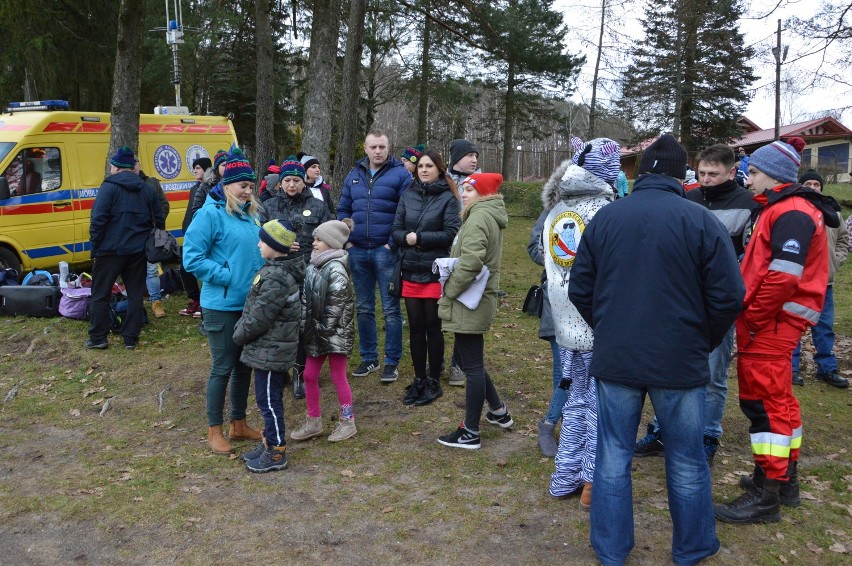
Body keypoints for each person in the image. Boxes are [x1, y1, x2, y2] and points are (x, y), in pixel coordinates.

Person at [569, 134, 743, 565]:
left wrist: (610, 329)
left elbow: (581, 288)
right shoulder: (700, 220)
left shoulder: (608, 218)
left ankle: (611, 549)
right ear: (680, 175)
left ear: (643, 172)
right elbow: (729, 295)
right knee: (685, 458)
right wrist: (700, 340)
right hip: (676, 358)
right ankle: (693, 546)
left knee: (613, 455)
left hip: (621, 356)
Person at [716, 139, 841, 525]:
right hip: (775, 323)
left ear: (773, 175)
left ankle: (766, 494)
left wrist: (752, 317)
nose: (747, 178)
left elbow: (782, 277)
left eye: (752, 172)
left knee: (764, 408)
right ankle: (783, 480)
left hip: (770, 324)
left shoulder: (791, 212)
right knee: (781, 403)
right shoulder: (788, 209)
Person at [635, 144, 760, 465]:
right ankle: (662, 429)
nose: (705, 180)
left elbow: (750, 261)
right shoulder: (685, 199)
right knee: (667, 367)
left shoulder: (748, 206)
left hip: (718, 302)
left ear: (731, 172)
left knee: (713, 374)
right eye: (701, 173)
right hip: (681, 302)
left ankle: (708, 433)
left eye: (713, 174)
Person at [544, 137, 620, 509]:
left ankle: (564, 475)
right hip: (597, 324)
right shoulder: (604, 211)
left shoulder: (557, 209)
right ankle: (592, 481)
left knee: (575, 399)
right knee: (599, 406)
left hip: (565, 324)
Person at [183, 148, 265, 456]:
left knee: (245, 365)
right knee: (223, 366)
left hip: (250, 303)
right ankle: (214, 430)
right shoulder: (209, 214)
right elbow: (192, 258)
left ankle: (239, 424)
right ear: (227, 184)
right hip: (221, 305)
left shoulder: (251, 214)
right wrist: (227, 275)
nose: (247, 190)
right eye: (242, 185)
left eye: (250, 185)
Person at [436, 173, 513, 450]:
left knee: (473, 367)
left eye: (470, 189)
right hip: (474, 299)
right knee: (472, 361)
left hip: (470, 300)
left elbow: (470, 262)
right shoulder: (481, 215)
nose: (464, 193)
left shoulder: (479, 217)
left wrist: (450, 290)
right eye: (464, 188)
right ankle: (498, 410)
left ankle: (470, 431)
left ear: (484, 194)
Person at [337, 130, 411, 383]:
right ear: (365, 148)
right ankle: (369, 358)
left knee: (391, 309)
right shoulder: (354, 174)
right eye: (373, 147)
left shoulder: (401, 174)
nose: (377, 151)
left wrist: (392, 243)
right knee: (364, 307)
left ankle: (392, 361)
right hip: (357, 250)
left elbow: (406, 211)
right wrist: (345, 239)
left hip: (385, 251)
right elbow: (344, 208)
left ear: (389, 148)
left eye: (382, 146)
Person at [233, 219, 304, 473]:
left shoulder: (276, 277)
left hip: (272, 350)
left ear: (275, 246)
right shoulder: (274, 270)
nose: (259, 244)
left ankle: (277, 450)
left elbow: (259, 317)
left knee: (269, 401)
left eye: (263, 240)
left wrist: (238, 335)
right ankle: (267, 442)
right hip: (268, 349)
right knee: (265, 399)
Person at [391, 149, 461, 406]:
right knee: (416, 326)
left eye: (429, 166)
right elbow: (396, 229)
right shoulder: (408, 195)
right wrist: (406, 239)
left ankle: (433, 378)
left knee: (433, 327)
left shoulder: (448, 198)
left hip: (434, 271)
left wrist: (419, 238)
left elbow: (451, 232)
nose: (423, 170)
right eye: (420, 166)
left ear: (439, 169)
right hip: (410, 269)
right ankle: (419, 377)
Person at [260, 155, 331, 399]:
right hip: (276, 275)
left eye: (297, 180)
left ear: (304, 182)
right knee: (278, 325)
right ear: (280, 182)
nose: (292, 185)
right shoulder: (268, 206)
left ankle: (301, 372)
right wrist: (278, 246)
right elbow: (259, 238)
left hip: (307, 273)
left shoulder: (318, 206)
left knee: (303, 325)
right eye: (287, 180)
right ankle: (279, 372)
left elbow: (328, 237)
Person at [86, 146, 163, 350]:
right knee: (136, 294)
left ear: (116, 167)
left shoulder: (108, 187)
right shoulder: (147, 188)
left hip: (109, 251)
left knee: (100, 294)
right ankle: (131, 338)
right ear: (132, 167)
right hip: (137, 252)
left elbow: (98, 220)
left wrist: (95, 246)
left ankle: (98, 338)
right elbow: (160, 218)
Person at [290, 219, 358, 443]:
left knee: (338, 376)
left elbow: (336, 304)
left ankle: (348, 421)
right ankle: (313, 421)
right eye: (314, 238)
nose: (314, 242)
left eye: (319, 239)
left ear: (332, 243)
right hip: (314, 332)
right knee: (309, 375)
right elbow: (305, 300)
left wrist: (324, 328)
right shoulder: (312, 266)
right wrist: (304, 325)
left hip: (334, 334)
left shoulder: (336, 268)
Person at [791, 169, 849, 388]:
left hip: (825, 282)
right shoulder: (794, 209)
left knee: (824, 327)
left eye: (816, 184)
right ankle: (791, 368)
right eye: (809, 184)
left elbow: (843, 239)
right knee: (794, 325)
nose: (813, 187)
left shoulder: (832, 211)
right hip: (799, 280)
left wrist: (837, 259)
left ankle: (827, 369)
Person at [445, 138, 482, 387]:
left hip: (470, 250)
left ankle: (459, 363)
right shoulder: (445, 181)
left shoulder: (481, 183)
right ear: (457, 157)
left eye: (476, 155)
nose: (474, 159)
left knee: (465, 309)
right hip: (445, 250)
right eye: (469, 155)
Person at [528, 210, 561, 457]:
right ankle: (548, 425)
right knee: (564, 370)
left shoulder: (605, 205)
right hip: (557, 298)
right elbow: (534, 245)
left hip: (595, 300)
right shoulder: (554, 208)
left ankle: (572, 423)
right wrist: (557, 260)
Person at [178, 156, 212, 318]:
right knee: (185, 267)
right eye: (194, 168)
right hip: (191, 233)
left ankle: (205, 303)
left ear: (206, 169)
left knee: (205, 268)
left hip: (205, 235)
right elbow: (190, 212)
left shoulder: (211, 187)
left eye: (198, 168)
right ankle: (194, 299)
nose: (195, 171)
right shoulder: (194, 189)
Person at [135, 162, 170, 319]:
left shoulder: (152, 182)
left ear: (139, 165)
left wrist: (156, 223)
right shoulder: (124, 185)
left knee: (152, 269)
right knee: (134, 270)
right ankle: (136, 305)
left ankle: (156, 302)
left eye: (134, 164)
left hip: (152, 233)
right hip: (133, 235)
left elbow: (164, 205)